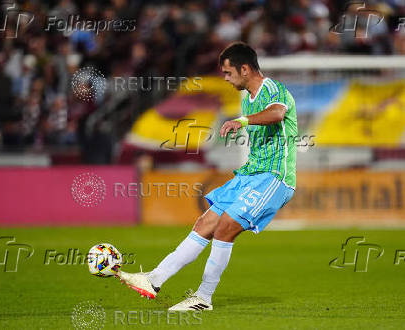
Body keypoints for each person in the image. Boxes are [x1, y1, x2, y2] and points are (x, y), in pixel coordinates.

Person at [117, 42, 298, 311]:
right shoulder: (247, 97)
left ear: (245, 69)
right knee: (205, 223)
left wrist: (242, 121)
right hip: (249, 175)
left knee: (225, 227)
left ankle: (203, 298)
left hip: (273, 178)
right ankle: (154, 279)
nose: (225, 78)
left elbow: (277, 112)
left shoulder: (272, 89)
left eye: (227, 73)